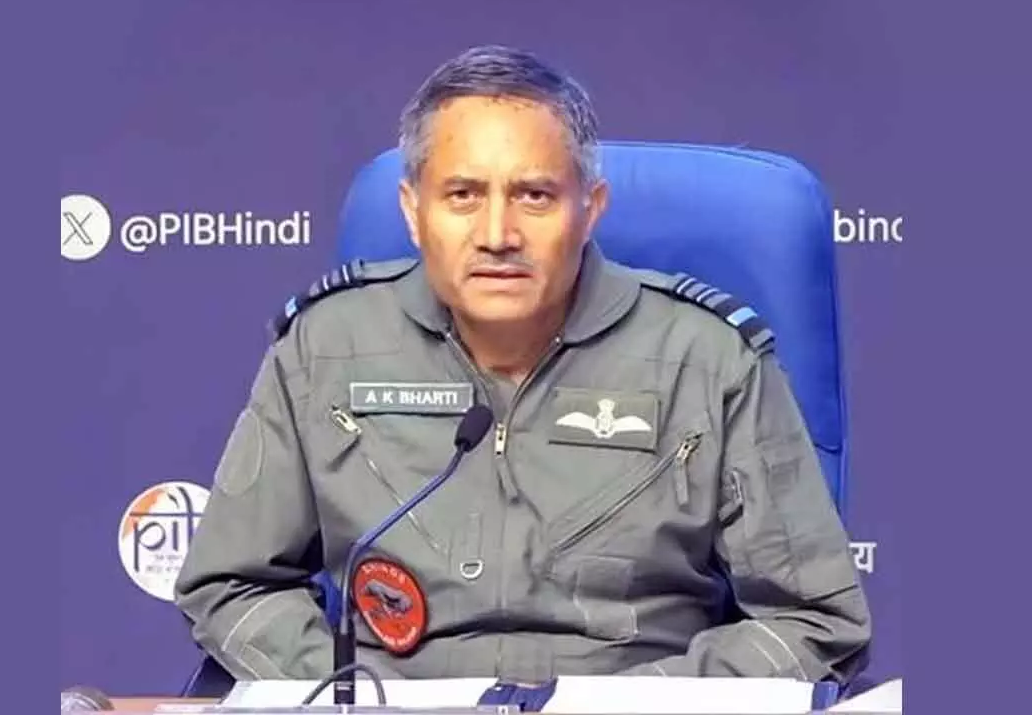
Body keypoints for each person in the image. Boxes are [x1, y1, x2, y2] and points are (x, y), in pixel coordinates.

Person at [174, 44, 871, 687]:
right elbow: (232, 585)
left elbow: (814, 621)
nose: (497, 235)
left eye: (534, 195)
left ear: (590, 209)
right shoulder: (323, 348)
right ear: (413, 212)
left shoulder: (710, 360)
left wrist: (637, 704)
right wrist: (354, 694)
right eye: (463, 195)